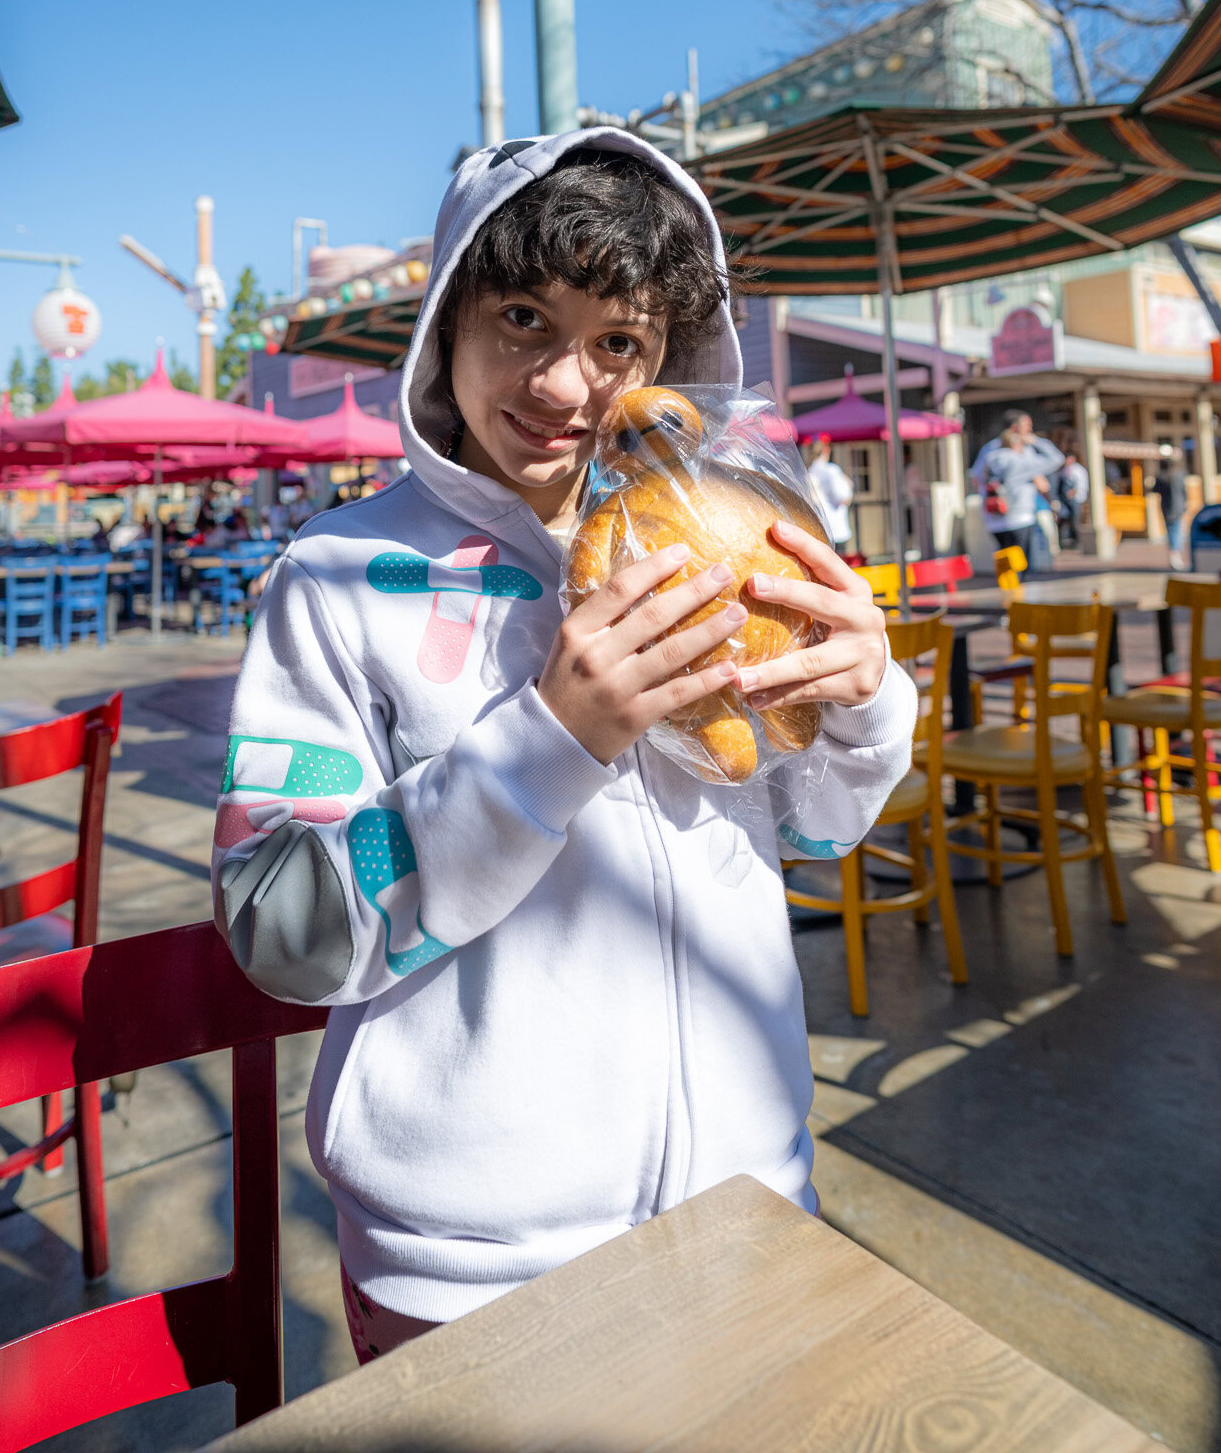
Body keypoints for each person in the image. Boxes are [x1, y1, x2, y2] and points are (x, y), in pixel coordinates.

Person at [213, 134, 915, 1366]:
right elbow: (284, 929)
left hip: (753, 1203)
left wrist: (862, 706)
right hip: (466, 1266)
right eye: (524, 316)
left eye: (617, 342)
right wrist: (550, 741)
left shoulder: (728, 539)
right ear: (446, 322)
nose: (563, 382)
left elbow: (808, 833)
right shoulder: (332, 579)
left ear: (667, 364)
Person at [970, 409, 1063, 564]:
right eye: (1027, 426)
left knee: (1005, 560)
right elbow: (1057, 459)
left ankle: (1007, 587)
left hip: (993, 516)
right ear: (1015, 430)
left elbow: (976, 477)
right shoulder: (1021, 459)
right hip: (1020, 516)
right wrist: (1036, 442)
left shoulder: (990, 452)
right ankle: (1016, 587)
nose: (1030, 430)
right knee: (1020, 563)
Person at [804, 434, 854, 550]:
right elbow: (844, 498)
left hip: (817, 528)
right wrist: (850, 486)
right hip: (836, 529)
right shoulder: (832, 470)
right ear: (827, 450)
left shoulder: (807, 471)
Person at [1152, 450, 1188, 570]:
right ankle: (1175, 555)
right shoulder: (1179, 474)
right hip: (1178, 507)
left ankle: (1174, 555)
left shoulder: (1161, 476)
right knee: (1177, 531)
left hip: (1168, 508)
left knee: (1172, 531)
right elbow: (1184, 491)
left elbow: (1154, 490)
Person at [1057, 445, 1089, 549]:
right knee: (1064, 519)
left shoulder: (1078, 470)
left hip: (1076, 500)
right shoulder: (1063, 471)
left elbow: (1081, 485)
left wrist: (1073, 492)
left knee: (1076, 521)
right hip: (1064, 500)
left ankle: (1078, 542)